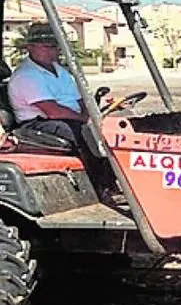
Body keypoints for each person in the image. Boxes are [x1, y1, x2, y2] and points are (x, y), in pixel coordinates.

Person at [7, 22, 117, 191]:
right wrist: (84, 119)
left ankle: (114, 180)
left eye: (55, 47)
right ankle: (99, 185)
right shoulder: (26, 76)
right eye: (47, 47)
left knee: (110, 130)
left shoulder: (60, 70)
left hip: (68, 118)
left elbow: (80, 99)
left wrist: (92, 115)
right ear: (30, 47)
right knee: (85, 135)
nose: (53, 51)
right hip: (38, 123)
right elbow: (52, 110)